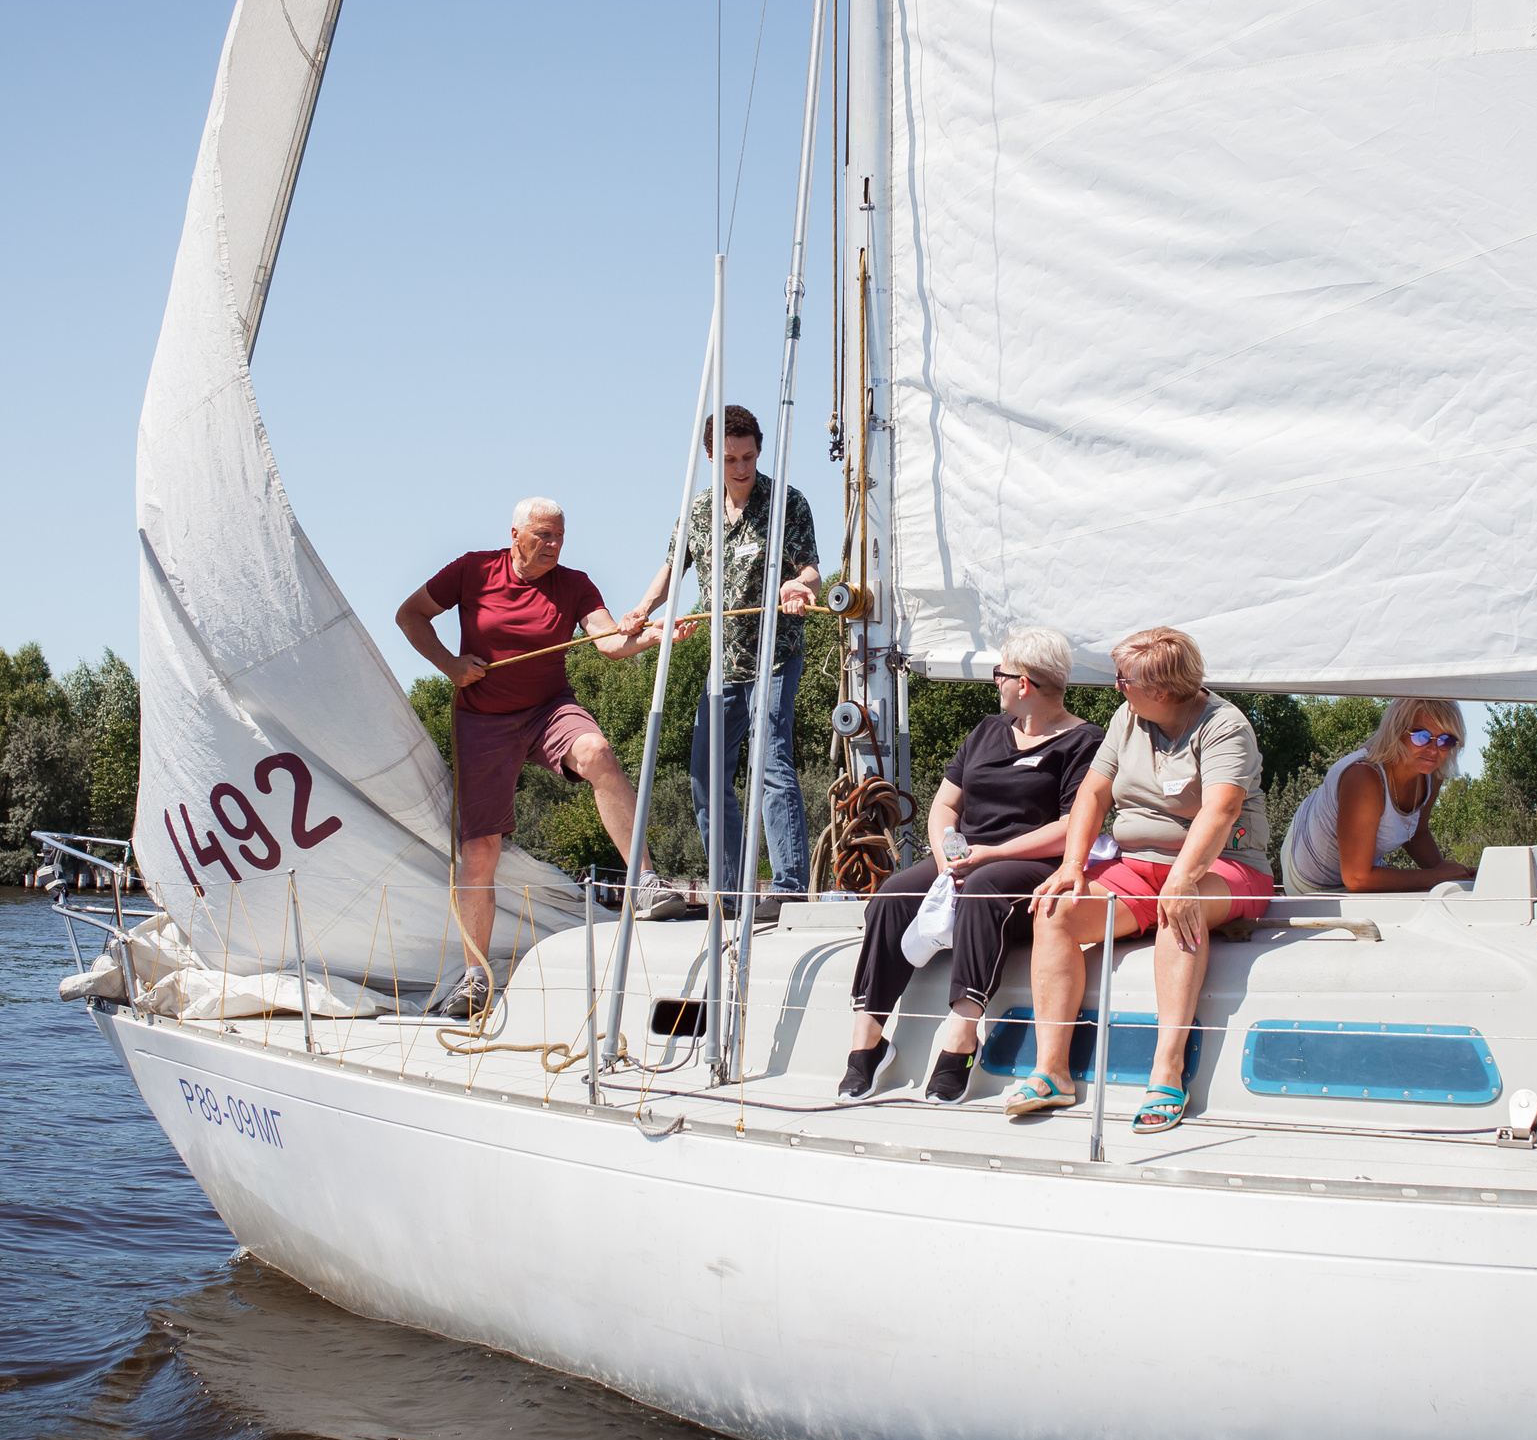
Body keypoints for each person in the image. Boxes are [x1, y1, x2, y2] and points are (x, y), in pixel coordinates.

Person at [397, 496, 688, 1016]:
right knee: (480, 849)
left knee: (598, 752)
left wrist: (655, 635)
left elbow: (608, 643)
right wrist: (449, 665)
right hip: (483, 720)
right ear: (515, 535)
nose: (553, 545)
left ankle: (644, 883)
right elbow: (409, 615)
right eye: (543, 536)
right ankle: (475, 978)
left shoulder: (574, 585)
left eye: (559, 536)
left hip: (550, 710)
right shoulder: (471, 570)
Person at [1016, 626, 1274, 1133]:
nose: (1116, 686)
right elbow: (1093, 794)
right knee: (1054, 913)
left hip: (1224, 867)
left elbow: (1221, 810)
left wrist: (1183, 878)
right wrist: (1071, 866)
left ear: (1161, 691)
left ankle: (1167, 1073)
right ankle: (1052, 1073)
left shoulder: (1226, 726)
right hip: (1137, 867)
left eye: (1123, 679)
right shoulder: (1128, 716)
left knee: (1181, 907)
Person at [838, 627, 1104, 1104]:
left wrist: (991, 855)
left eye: (1000, 673)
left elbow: (1071, 827)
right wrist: (946, 859)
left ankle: (961, 1040)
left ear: (1024, 683)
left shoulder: (1084, 742)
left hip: (1030, 865)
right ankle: (868, 1042)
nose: (995, 682)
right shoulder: (986, 731)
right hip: (962, 859)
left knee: (984, 887)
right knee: (893, 896)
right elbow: (944, 806)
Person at [624, 405, 822, 912]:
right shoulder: (699, 511)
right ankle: (732, 893)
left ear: (759, 452)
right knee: (706, 775)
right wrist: (642, 609)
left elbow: (811, 571)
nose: (741, 468)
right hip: (724, 663)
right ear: (712, 457)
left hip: (775, 655)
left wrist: (799, 586)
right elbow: (672, 568)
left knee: (770, 761)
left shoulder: (787, 502)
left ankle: (789, 889)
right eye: (731, 459)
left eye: (749, 457)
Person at [1280, 698, 1478, 894]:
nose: (1434, 749)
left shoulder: (1431, 774)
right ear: (1396, 732)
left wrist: (1456, 876)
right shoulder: (1364, 778)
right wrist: (1436, 877)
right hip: (1311, 879)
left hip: (1360, 875)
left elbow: (1416, 833)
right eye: (1421, 736)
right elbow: (1357, 879)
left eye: (1446, 740)